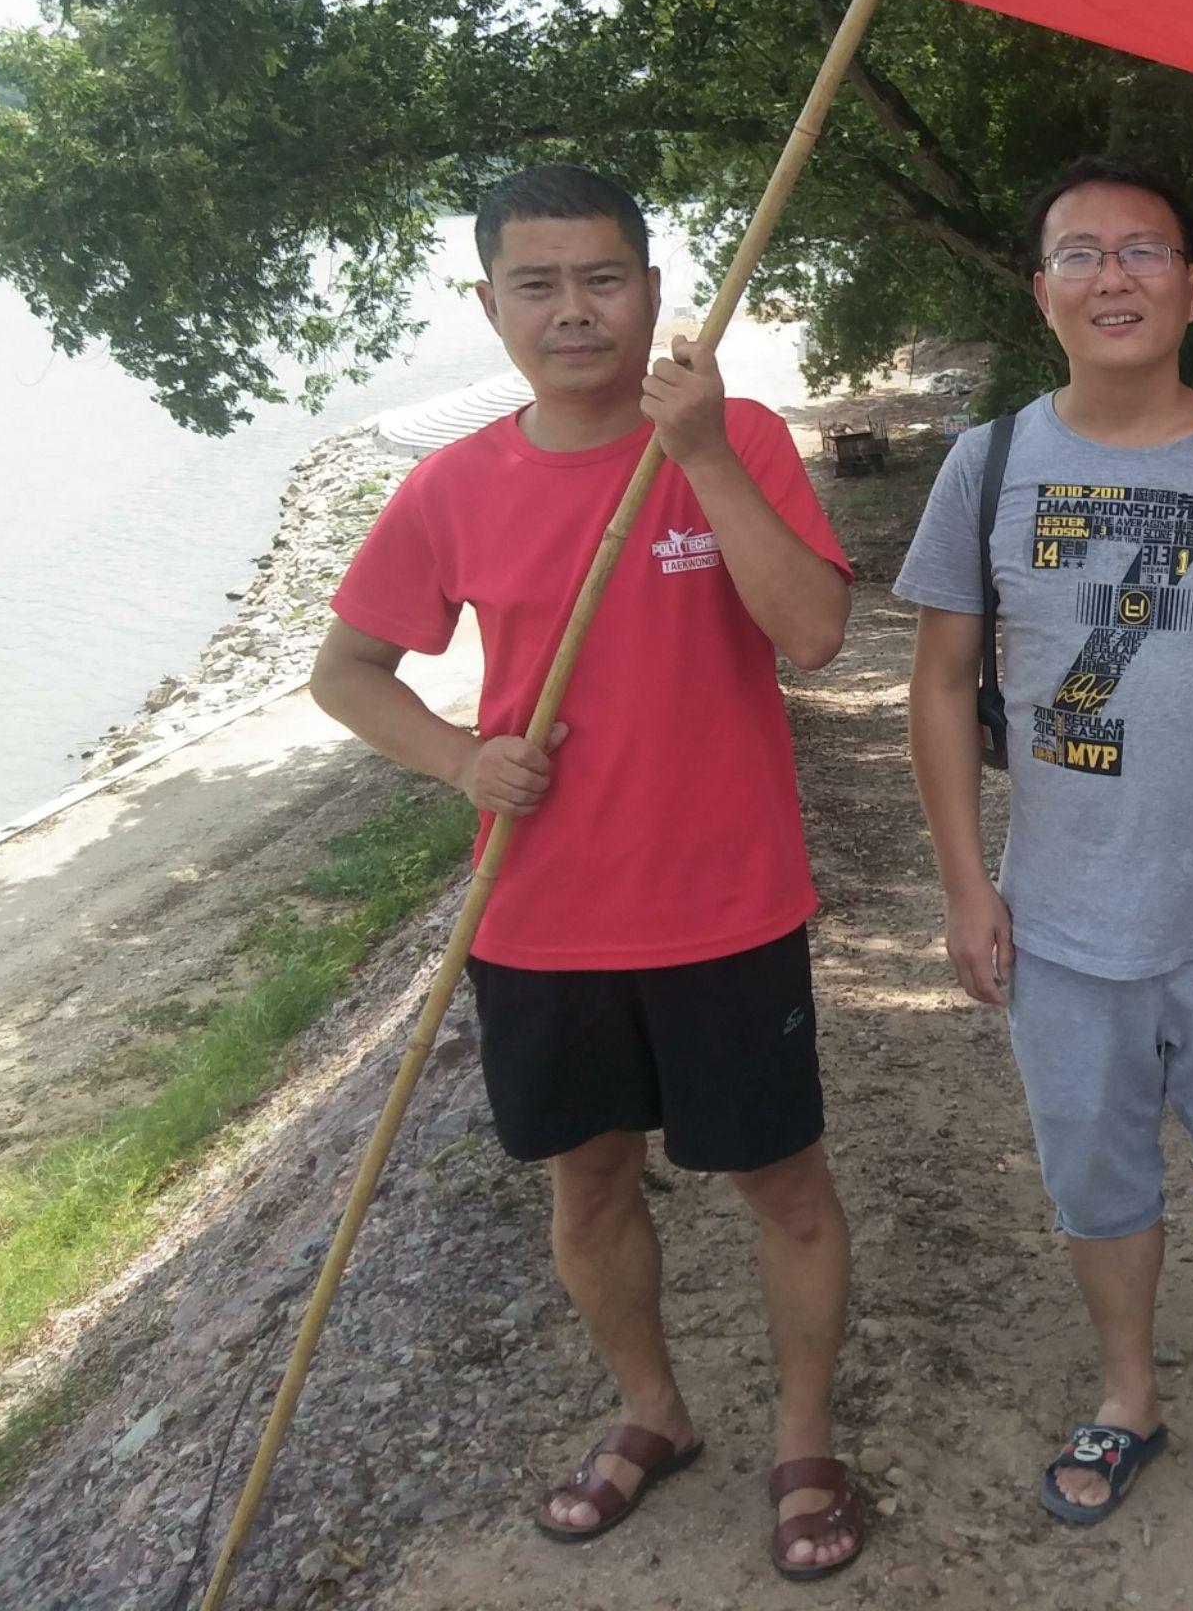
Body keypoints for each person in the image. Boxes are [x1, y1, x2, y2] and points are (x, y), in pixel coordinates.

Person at [309, 164, 865, 1579]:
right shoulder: (455, 485)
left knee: (783, 1188)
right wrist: (454, 760)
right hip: (541, 916)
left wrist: (706, 461)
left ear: (657, 293)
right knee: (589, 1188)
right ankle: (652, 1413)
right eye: (539, 285)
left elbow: (810, 635)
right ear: (489, 304)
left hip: (729, 906)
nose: (575, 311)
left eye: (603, 278)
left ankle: (806, 1442)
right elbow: (349, 671)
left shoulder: (737, 436)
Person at [896, 156, 1193, 1541]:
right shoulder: (986, 466)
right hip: (1063, 922)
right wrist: (967, 886)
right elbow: (936, 682)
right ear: (1040, 291)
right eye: (1082, 253)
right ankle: (1126, 1394)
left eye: (1146, 251)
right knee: (1096, 1186)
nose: (1115, 276)